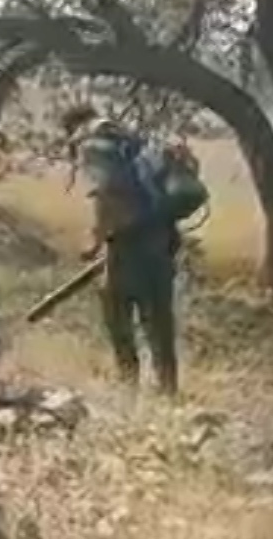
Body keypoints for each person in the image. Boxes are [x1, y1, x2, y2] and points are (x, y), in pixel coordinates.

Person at [60, 103, 183, 396]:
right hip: (163, 241)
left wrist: (95, 242)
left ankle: (128, 388)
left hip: (129, 246)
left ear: (73, 126)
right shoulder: (134, 141)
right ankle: (168, 389)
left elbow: (107, 197)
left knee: (118, 315)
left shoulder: (93, 146)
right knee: (159, 320)